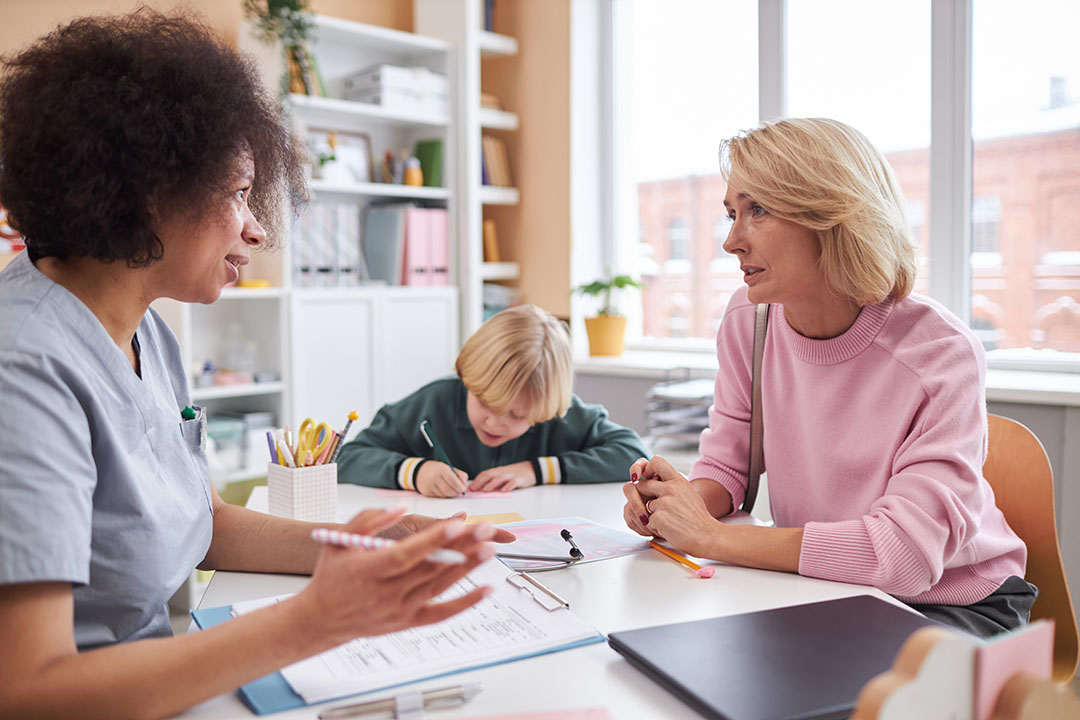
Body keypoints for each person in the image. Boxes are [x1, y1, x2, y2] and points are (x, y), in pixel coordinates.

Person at [0, 12, 512, 718]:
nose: (258, 226)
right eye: (239, 191)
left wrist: (362, 544)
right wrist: (314, 620)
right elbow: (26, 691)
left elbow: (203, 521)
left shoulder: (148, 330)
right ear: (150, 189)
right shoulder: (22, 367)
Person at [622, 118, 1032, 637]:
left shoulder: (941, 355)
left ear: (833, 217)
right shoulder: (748, 321)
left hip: (949, 600)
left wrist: (710, 538)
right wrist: (672, 504)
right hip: (824, 585)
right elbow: (728, 469)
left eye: (758, 210)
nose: (731, 241)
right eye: (732, 213)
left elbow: (903, 557)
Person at [338, 304, 651, 497]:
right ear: (469, 380)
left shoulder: (560, 415)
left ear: (541, 411)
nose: (495, 422)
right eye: (487, 403)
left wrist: (536, 470)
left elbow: (634, 454)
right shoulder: (434, 403)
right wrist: (414, 472)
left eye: (516, 415)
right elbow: (347, 458)